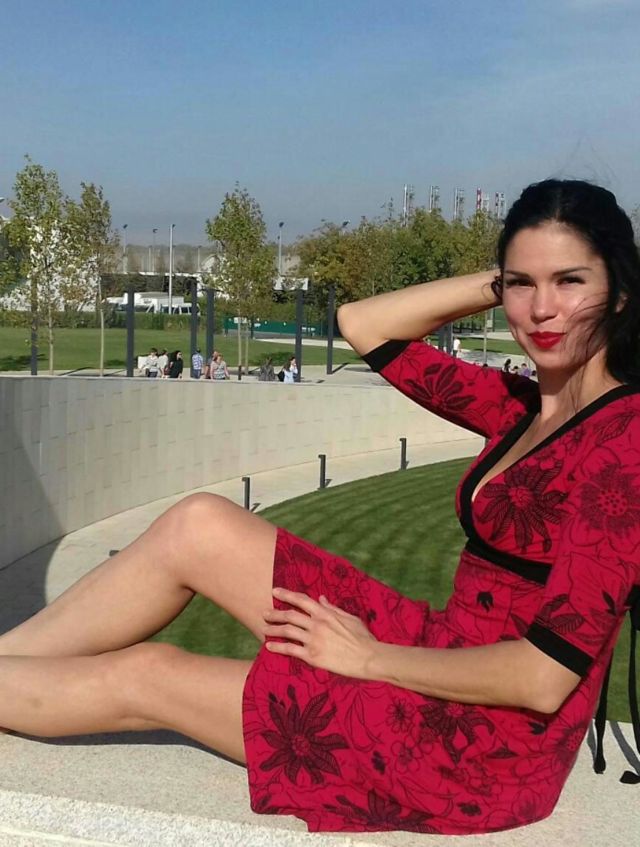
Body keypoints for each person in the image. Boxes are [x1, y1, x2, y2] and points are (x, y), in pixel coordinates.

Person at [0, 179, 638, 836]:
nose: (542, 309)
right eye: (522, 284)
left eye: (570, 281)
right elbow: (364, 324)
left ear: (619, 290)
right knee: (198, 524)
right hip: (438, 648)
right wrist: (503, 279)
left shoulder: (625, 441)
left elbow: (543, 676)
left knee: (150, 674)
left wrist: (367, 658)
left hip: (480, 748)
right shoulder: (521, 405)